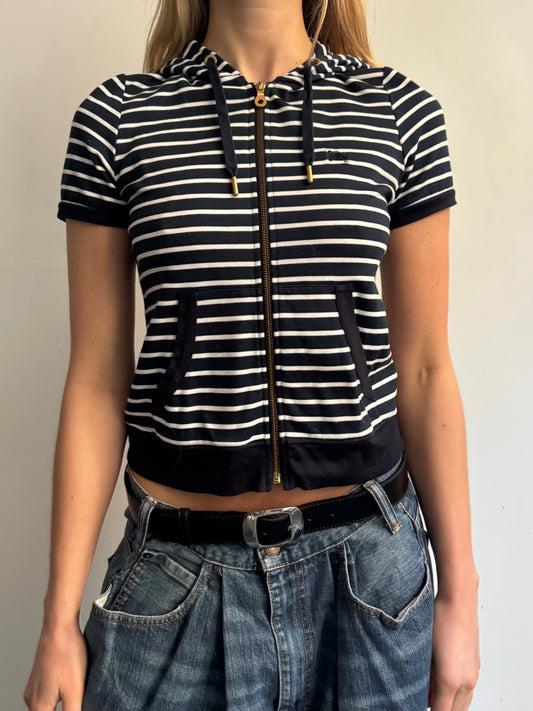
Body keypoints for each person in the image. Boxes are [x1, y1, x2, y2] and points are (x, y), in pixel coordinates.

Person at [23, 0, 480, 709]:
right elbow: (96, 381)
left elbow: (423, 368)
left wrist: (461, 595)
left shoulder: (397, 113)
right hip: (175, 578)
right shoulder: (118, 120)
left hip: (370, 578)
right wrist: (57, 617)